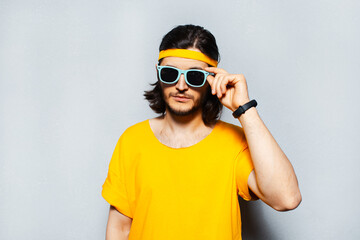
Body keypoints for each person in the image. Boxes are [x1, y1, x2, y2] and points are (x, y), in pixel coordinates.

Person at [101, 24, 302, 240]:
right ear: (159, 76)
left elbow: (286, 198)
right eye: (170, 74)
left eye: (194, 76)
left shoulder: (233, 142)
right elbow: (120, 229)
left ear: (212, 80)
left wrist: (244, 108)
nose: (180, 85)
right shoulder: (132, 141)